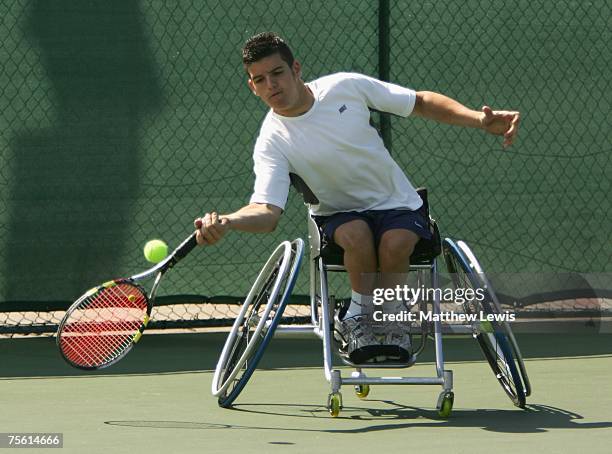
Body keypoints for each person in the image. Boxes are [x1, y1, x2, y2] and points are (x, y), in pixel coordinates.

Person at [194, 32, 520, 363]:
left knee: (396, 242)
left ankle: (391, 316)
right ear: (252, 87)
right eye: (259, 80)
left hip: (397, 204)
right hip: (338, 214)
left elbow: (418, 102)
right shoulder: (272, 140)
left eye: (277, 73)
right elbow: (267, 210)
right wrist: (229, 221)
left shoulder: (344, 87)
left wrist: (478, 120)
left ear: (295, 68)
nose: (271, 86)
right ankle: (357, 317)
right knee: (356, 234)